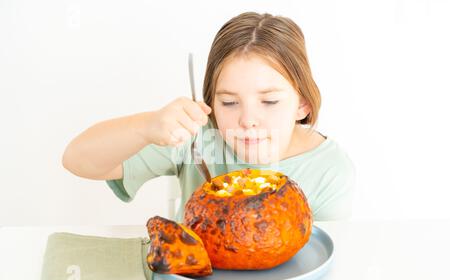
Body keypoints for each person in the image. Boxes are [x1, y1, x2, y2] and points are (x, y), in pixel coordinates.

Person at [62, 12, 355, 222]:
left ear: (302, 104)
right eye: (229, 102)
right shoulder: (198, 139)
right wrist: (146, 127)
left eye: (269, 101)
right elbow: (77, 159)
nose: (248, 120)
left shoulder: (328, 169)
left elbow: (324, 261)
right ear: (210, 104)